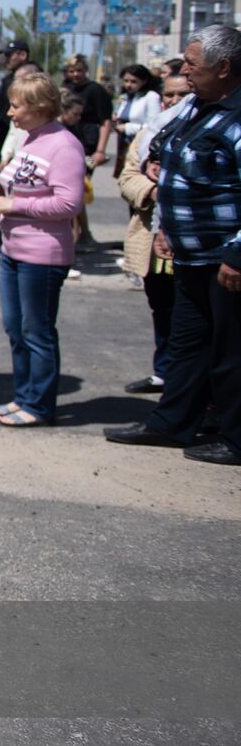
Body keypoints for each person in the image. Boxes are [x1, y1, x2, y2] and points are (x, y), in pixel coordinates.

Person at [105, 25, 241, 466]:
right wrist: (165, 227)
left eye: (192, 64)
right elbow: (159, 154)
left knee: (231, 352)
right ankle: (171, 423)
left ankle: (234, 436)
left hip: (226, 260)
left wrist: (237, 253)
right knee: (187, 344)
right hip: (187, 253)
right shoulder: (193, 109)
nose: (183, 70)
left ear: (223, 69)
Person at [0, 73, 86, 426]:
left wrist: (14, 205)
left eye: (16, 105)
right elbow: (23, 189)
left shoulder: (64, 145)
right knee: (16, 328)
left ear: (39, 107)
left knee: (37, 331)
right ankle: (24, 396)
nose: (10, 112)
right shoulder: (31, 139)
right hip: (14, 250)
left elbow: (68, 204)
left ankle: (39, 405)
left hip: (43, 255)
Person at [116, 73, 191, 394]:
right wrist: (154, 191)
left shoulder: (206, 129)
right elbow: (127, 177)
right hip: (151, 239)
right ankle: (164, 372)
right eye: (169, 95)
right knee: (161, 308)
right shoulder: (150, 133)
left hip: (190, 242)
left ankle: (193, 388)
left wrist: (173, 187)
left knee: (192, 317)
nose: (174, 101)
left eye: (182, 94)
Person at [61, 54, 114, 250]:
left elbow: (105, 122)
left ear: (86, 70)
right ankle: (81, 235)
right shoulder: (67, 89)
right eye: (72, 71)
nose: (75, 74)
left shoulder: (95, 90)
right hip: (69, 141)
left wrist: (100, 150)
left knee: (77, 191)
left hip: (87, 145)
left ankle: (80, 236)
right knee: (74, 192)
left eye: (79, 70)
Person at [112, 64, 162, 178]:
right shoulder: (126, 97)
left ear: (144, 81)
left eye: (133, 81)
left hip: (140, 145)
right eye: (126, 81)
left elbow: (153, 125)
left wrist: (127, 128)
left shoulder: (151, 97)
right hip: (124, 144)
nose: (128, 85)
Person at [0, 39, 32, 166]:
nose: (6, 59)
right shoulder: (6, 80)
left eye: (9, 55)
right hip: (7, 138)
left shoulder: (35, 81)